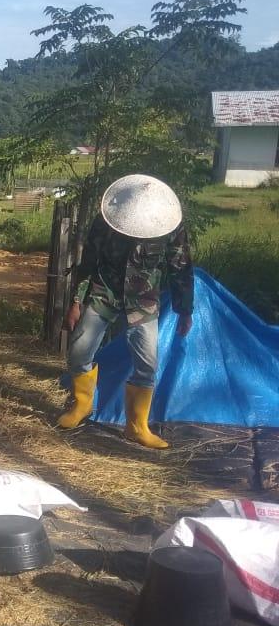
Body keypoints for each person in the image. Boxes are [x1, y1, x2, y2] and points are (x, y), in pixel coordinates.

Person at [57, 174, 194, 449]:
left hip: (143, 301)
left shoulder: (171, 227)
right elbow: (89, 263)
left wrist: (184, 310)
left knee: (147, 365)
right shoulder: (106, 221)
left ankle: (136, 427)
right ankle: (82, 404)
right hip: (103, 293)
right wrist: (76, 302)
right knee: (79, 350)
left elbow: (180, 268)